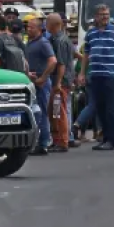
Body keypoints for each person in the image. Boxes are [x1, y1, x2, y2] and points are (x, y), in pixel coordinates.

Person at [79, 4, 114, 151]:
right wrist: (82, 73)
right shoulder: (91, 33)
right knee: (100, 109)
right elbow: (86, 55)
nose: (105, 17)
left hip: (110, 75)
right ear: (96, 16)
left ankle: (113, 140)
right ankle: (104, 138)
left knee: (111, 109)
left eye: (107, 14)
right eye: (102, 14)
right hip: (95, 75)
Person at [24, 17, 57, 156]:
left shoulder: (43, 43)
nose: (28, 29)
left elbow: (53, 61)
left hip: (41, 83)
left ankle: (43, 143)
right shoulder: (30, 42)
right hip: (33, 80)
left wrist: (43, 77)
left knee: (42, 112)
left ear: (39, 29)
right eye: (28, 27)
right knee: (36, 112)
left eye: (31, 27)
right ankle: (39, 141)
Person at [46, 13, 74, 154]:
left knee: (60, 111)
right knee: (55, 111)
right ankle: (57, 139)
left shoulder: (60, 41)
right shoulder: (59, 39)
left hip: (60, 82)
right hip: (59, 81)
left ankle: (63, 141)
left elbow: (61, 64)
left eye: (47, 22)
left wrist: (58, 83)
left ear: (53, 24)